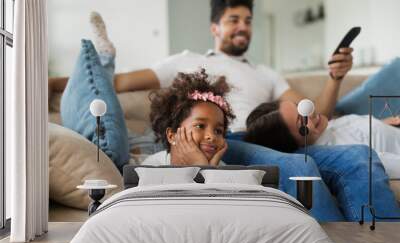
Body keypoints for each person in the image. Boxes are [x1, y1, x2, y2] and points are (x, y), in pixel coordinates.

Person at [50, 2, 394, 222]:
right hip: (231, 137)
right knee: (299, 165)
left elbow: (313, 115)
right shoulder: (184, 61)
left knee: (358, 157)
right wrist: (46, 83)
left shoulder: (267, 72)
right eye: (233, 19)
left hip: (278, 139)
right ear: (215, 27)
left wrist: (336, 77)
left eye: (248, 19)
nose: (243, 25)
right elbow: (119, 82)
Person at [244, 100, 400, 180]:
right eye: (302, 121)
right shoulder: (348, 152)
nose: (310, 113)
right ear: (291, 143)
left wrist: (379, 125)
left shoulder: (325, 131)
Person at [143, 69, 235, 166]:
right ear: (172, 135)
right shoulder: (152, 166)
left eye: (218, 131)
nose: (211, 136)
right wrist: (200, 167)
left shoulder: (221, 168)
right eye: (200, 126)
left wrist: (206, 168)